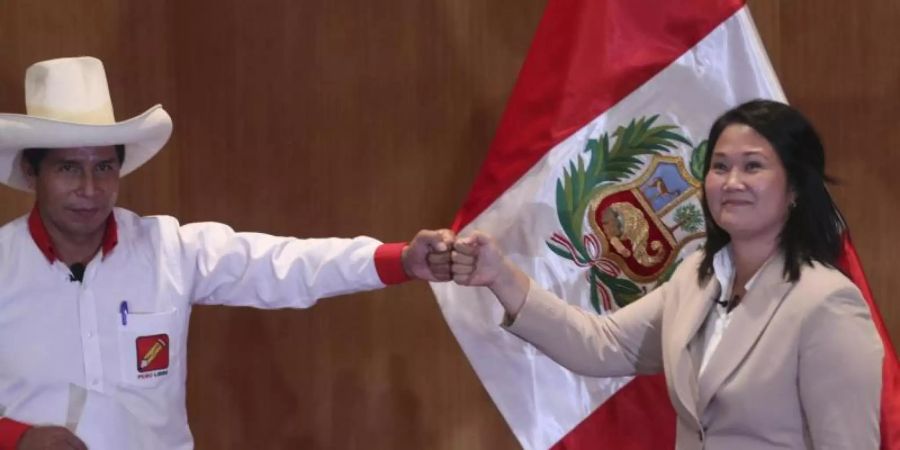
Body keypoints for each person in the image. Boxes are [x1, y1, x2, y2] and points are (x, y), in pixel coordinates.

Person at [0, 56, 453, 450]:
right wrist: (13, 437)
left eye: (104, 167)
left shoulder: (168, 249)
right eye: (67, 168)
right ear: (31, 170)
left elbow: (284, 265)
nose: (90, 189)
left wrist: (400, 261)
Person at [451, 99, 884, 449]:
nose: (732, 181)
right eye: (719, 166)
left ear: (794, 189)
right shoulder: (696, 277)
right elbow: (600, 345)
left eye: (753, 166)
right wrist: (500, 276)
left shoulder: (826, 302)